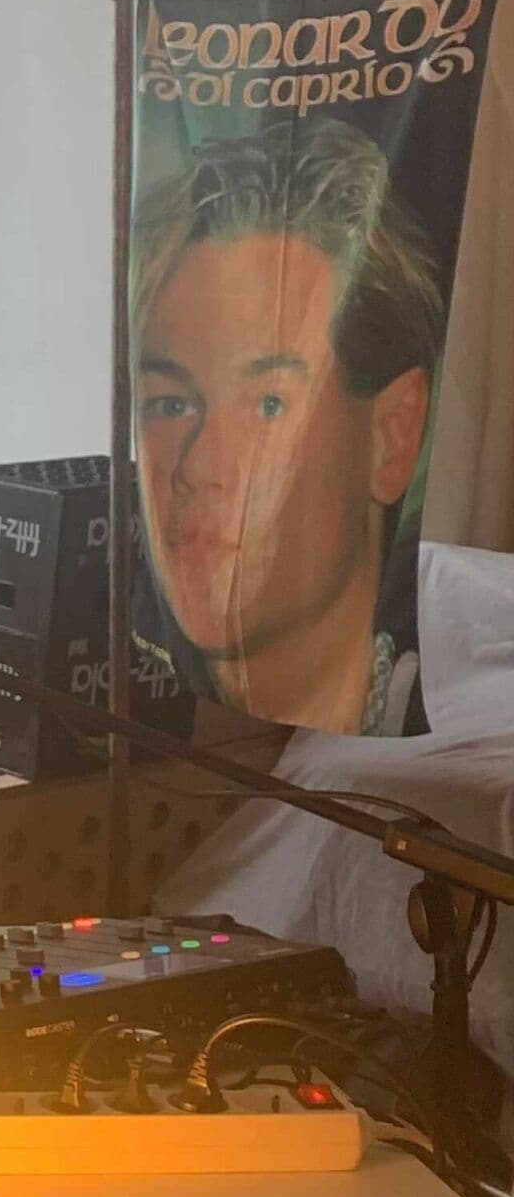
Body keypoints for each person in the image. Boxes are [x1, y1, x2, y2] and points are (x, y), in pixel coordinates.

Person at [128, 116, 444, 735]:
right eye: (170, 404)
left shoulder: (456, 744)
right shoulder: (119, 710)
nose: (197, 468)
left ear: (393, 435)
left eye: (268, 405)